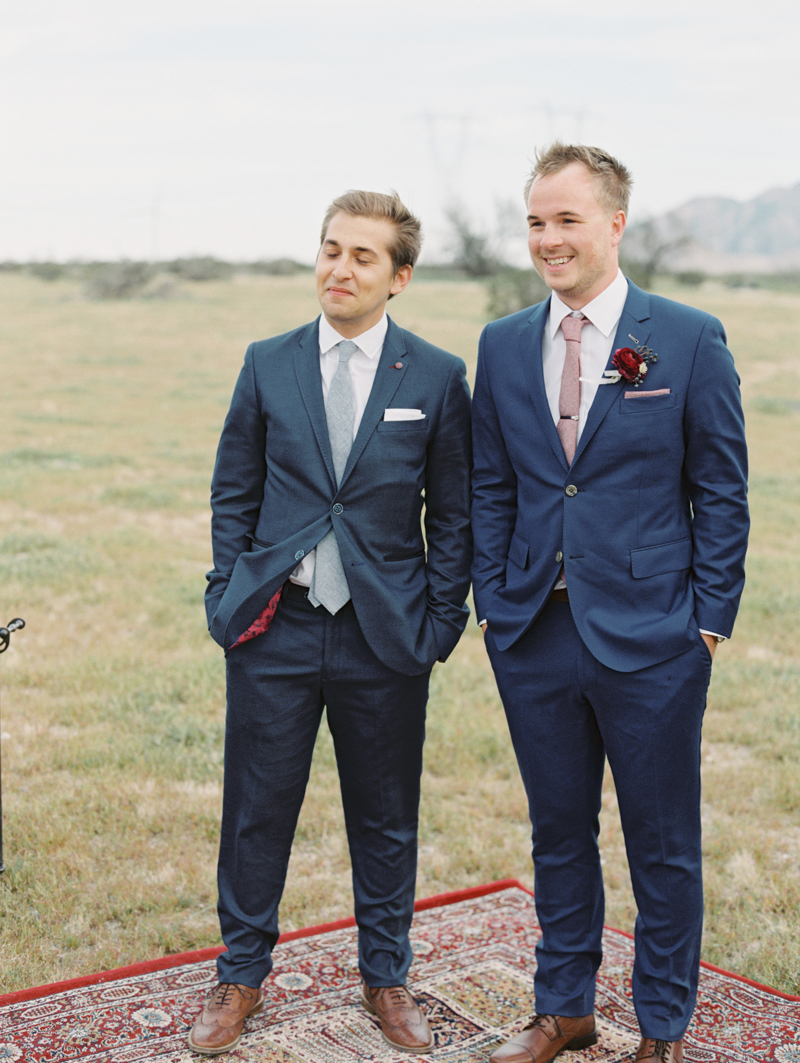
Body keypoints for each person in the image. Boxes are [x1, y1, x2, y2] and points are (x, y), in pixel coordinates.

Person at [471, 144, 748, 1063]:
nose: (549, 240)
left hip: (656, 640)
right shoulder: (504, 344)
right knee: (558, 831)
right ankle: (565, 1009)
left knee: (661, 845)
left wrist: (707, 622)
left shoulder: (688, 337)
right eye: (537, 222)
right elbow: (492, 485)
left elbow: (722, 490)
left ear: (615, 223)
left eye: (568, 220)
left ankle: (662, 1028)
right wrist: (493, 604)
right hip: (533, 631)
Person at [189, 190, 472, 1055]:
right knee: (256, 809)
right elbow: (234, 489)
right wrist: (225, 593)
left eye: (361, 257)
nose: (339, 269)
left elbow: (454, 514)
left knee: (385, 815)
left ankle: (386, 976)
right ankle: (240, 975)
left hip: (384, 635)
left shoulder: (434, 376)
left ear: (399, 277)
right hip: (275, 624)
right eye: (330, 249)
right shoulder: (268, 362)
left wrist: (438, 623)